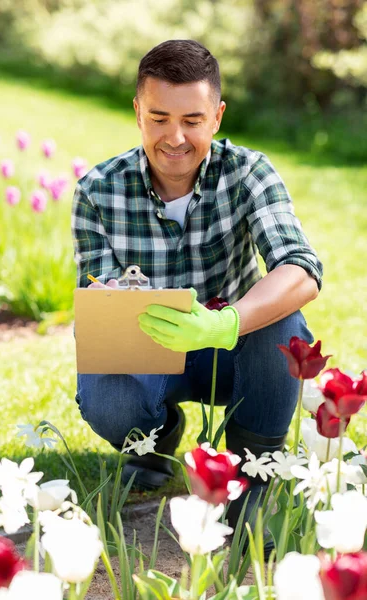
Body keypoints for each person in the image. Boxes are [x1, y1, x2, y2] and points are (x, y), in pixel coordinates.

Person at [71, 39, 323, 541]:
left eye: (193, 119)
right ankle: (156, 441)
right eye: (159, 117)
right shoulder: (97, 189)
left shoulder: (249, 172)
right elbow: (97, 299)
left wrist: (225, 321)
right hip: (148, 351)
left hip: (232, 351)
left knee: (285, 324)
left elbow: (301, 268)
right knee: (106, 393)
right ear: (137, 111)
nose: (175, 137)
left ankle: (251, 481)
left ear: (217, 117)